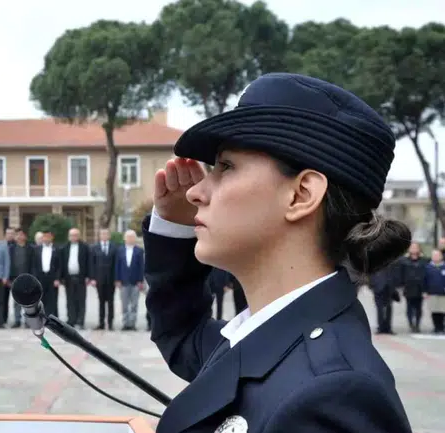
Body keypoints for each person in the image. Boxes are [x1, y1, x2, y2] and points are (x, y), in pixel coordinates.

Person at [144, 73, 412, 432]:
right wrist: (175, 227)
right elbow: (181, 335)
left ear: (301, 195)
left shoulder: (332, 396)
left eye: (225, 166)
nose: (196, 193)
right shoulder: (274, 334)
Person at [424, 249, 445, 334]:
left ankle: (442, 327)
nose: (436, 257)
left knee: (442, 311)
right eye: (434, 255)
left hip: (443, 294)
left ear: (441, 256)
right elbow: (424, 280)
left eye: (438, 255)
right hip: (432, 293)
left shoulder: (443, 267)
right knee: (434, 311)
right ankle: (436, 327)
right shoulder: (428, 267)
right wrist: (425, 291)